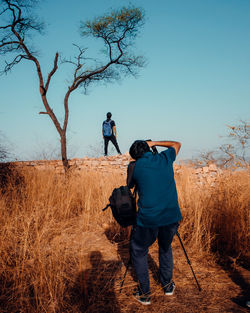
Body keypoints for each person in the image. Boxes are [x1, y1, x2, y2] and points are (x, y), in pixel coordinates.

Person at [127, 140, 182, 305]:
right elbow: (177, 144)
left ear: (135, 156)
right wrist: (155, 142)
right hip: (171, 217)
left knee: (138, 250)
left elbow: (129, 186)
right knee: (165, 247)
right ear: (149, 148)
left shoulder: (135, 167)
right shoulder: (165, 158)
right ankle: (167, 286)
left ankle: (145, 294)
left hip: (149, 219)